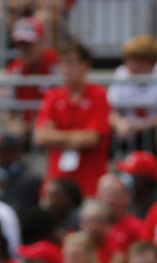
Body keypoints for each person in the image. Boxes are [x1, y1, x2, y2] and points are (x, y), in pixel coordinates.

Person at [35, 40, 112, 199]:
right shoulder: (52, 96)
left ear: (85, 66)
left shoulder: (99, 95)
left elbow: (92, 138)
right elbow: (41, 137)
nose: (66, 70)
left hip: (90, 181)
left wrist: (58, 136)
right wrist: (76, 137)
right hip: (58, 180)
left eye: (71, 64)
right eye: (62, 64)